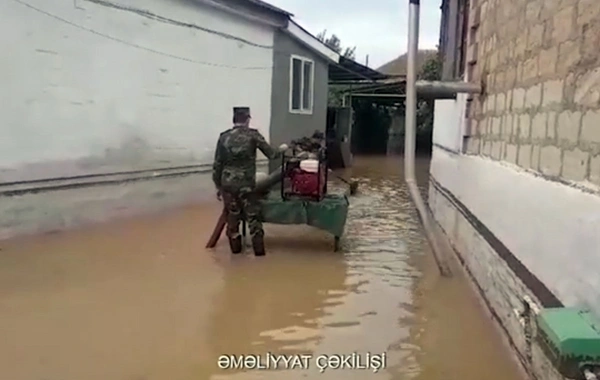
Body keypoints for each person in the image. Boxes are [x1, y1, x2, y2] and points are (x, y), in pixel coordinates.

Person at [212, 107, 287, 256]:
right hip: (246, 185)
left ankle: (235, 253)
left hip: (227, 184)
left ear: (234, 119)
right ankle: (259, 255)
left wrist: (218, 186)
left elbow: (217, 165)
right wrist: (282, 149)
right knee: (253, 218)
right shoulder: (253, 135)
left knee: (233, 218)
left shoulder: (223, 137)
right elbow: (272, 154)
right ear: (247, 119)